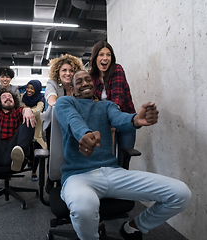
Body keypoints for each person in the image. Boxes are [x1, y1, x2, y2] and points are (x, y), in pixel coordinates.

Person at [55, 70, 192, 240]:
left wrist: (135, 120)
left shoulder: (106, 105)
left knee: (180, 194)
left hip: (112, 172)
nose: (85, 83)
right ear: (73, 89)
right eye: (79, 81)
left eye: (88, 79)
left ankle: (135, 227)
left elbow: (119, 118)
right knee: (84, 208)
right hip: (78, 176)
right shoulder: (65, 102)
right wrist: (85, 134)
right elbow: (72, 119)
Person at [42, 54, 84, 192]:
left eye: (71, 70)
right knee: (55, 153)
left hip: (72, 124)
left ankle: (66, 179)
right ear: (58, 73)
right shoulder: (52, 83)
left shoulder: (78, 85)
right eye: (64, 70)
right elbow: (51, 98)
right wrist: (59, 104)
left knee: (69, 152)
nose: (68, 73)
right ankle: (51, 176)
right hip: (53, 125)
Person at [89, 41, 136, 158]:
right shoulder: (91, 77)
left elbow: (117, 98)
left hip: (124, 120)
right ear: (95, 57)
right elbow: (93, 102)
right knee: (108, 159)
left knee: (123, 160)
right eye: (101, 54)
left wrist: (114, 121)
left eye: (108, 55)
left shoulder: (117, 70)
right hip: (106, 124)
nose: (105, 58)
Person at [20, 80, 47, 181]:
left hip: (36, 125)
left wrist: (27, 111)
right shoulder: (22, 96)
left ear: (37, 89)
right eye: (28, 87)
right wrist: (24, 110)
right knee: (26, 148)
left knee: (37, 148)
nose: (29, 90)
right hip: (24, 125)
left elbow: (39, 110)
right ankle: (29, 160)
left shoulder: (40, 97)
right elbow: (19, 107)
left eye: (32, 88)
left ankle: (34, 172)